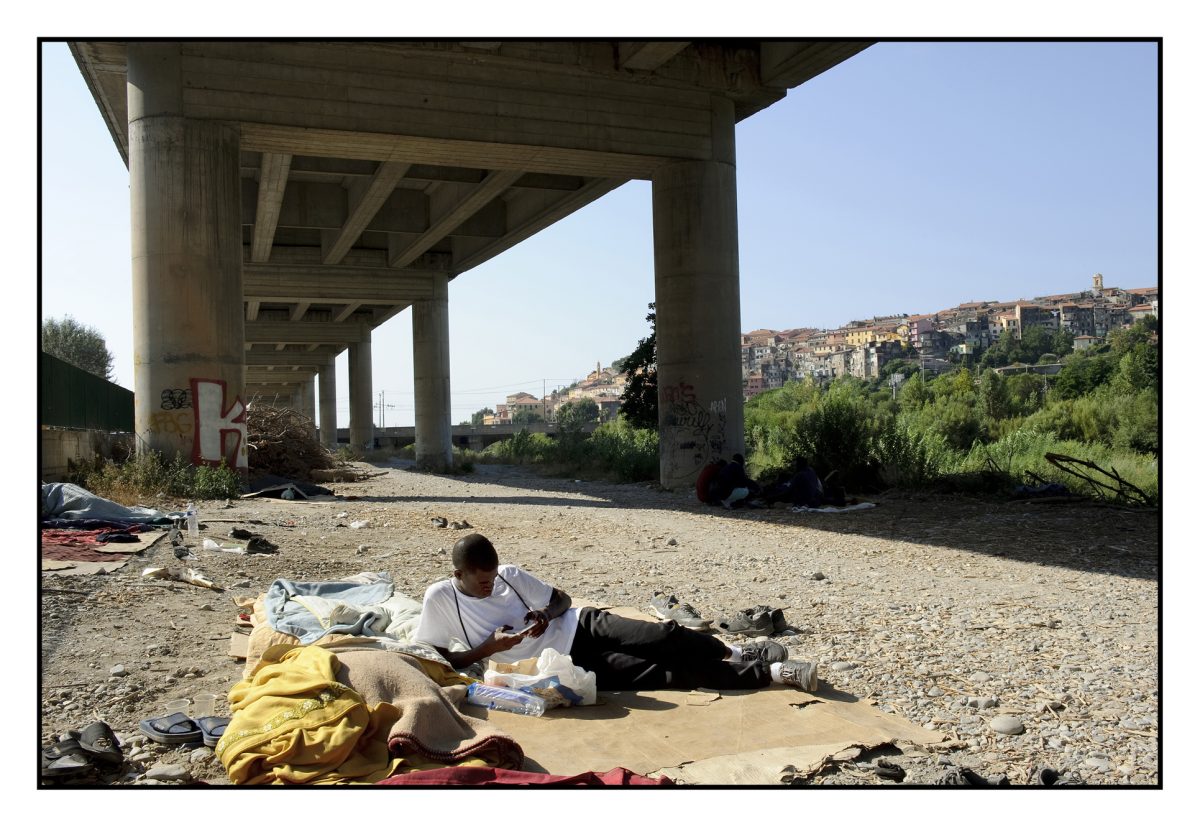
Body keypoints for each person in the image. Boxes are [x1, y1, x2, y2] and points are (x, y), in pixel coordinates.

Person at [415, 533, 818, 692]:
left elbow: (564, 599)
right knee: (669, 674)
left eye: (493, 578)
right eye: (482, 582)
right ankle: (777, 675)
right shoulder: (441, 599)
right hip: (558, 667)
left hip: (582, 625)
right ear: (458, 574)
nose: (490, 587)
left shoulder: (510, 575)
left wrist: (545, 615)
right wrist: (486, 650)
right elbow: (431, 658)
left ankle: (733, 651)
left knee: (666, 637)